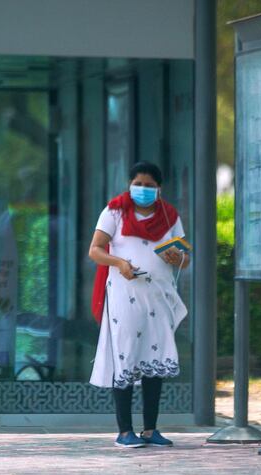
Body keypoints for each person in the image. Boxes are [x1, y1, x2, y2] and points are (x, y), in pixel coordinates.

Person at [88, 161, 190, 448]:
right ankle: (124, 431)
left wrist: (177, 258)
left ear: (159, 189)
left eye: (149, 185)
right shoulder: (115, 212)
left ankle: (150, 430)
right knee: (126, 357)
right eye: (138, 184)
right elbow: (95, 250)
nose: (142, 189)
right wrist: (119, 262)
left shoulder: (169, 216)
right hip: (124, 297)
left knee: (154, 361)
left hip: (158, 297)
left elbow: (185, 256)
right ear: (130, 184)